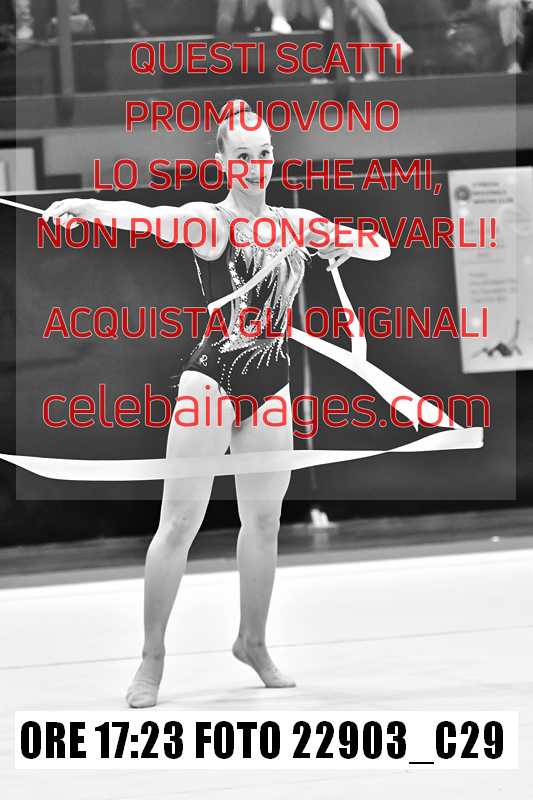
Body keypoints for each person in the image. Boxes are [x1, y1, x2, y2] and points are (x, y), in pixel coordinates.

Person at [42, 99, 390, 707]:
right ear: (224, 162)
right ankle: (152, 657)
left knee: (264, 522)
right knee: (179, 523)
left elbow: (380, 246)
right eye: (243, 156)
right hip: (213, 381)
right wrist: (86, 207)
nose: (255, 166)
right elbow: (147, 218)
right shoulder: (213, 222)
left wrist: (351, 245)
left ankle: (252, 642)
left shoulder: (295, 223)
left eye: (264, 154)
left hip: (271, 385)